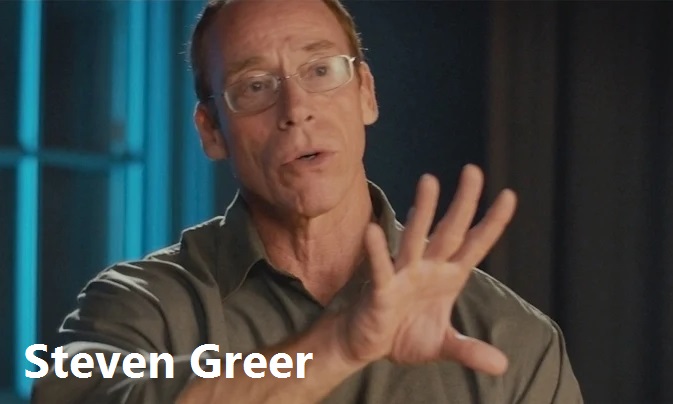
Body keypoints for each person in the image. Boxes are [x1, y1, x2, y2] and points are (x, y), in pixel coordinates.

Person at [32, 0, 583, 402]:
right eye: (254, 86)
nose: (296, 108)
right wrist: (339, 344)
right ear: (211, 131)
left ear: (366, 93)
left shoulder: (514, 338)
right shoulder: (135, 307)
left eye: (321, 71)